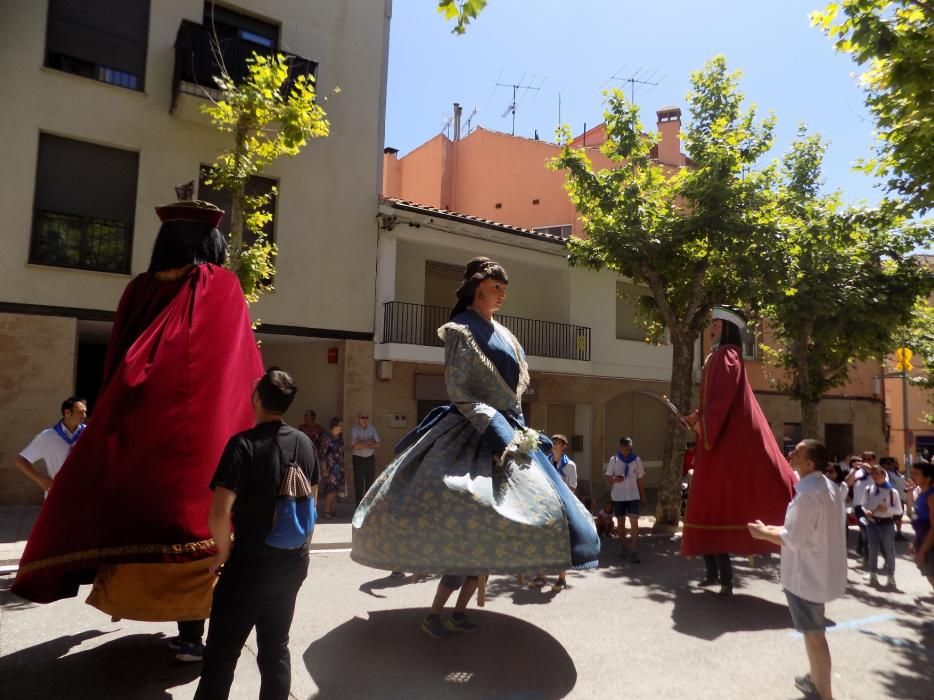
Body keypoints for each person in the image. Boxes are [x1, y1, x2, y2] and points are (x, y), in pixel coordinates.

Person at [12, 188, 263, 663]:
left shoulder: (138, 288)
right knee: (198, 525)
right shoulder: (220, 284)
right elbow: (237, 366)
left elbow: (116, 362)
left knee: (131, 511)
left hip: (138, 423)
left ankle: (130, 599)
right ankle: (192, 635)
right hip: (198, 431)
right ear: (210, 244)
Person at [351, 257, 600, 639]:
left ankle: (460, 610)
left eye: (504, 288)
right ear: (477, 288)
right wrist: (497, 429)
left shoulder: (507, 335)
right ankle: (435, 613)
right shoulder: (460, 330)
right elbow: (460, 392)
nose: (501, 294)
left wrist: (518, 430)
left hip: (507, 429)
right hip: (469, 431)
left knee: (528, 517)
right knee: (465, 507)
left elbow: (513, 397)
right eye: (495, 286)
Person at [194, 368, 317, 700]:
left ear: (257, 398)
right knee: (275, 649)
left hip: (248, 567)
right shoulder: (305, 444)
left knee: (220, 657)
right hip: (291, 564)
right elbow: (312, 503)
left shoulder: (243, 445)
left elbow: (219, 512)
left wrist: (223, 553)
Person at [681, 307, 797, 598]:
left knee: (718, 509)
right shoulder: (720, 356)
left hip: (722, 439)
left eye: (715, 324)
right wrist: (698, 418)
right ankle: (714, 576)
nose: (711, 328)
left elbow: (722, 400)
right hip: (716, 436)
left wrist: (705, 426)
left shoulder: (727, 355)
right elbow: (715, 401)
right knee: (709, 509)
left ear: (725, 326)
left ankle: (726, 581)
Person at [748, 439, 847, 700]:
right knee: (812, 634)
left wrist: (761, 534)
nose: (791, 453)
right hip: (817, 575)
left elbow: (793, 538)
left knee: (815, 636)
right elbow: (800, 531)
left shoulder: (808, 495)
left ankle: (824, 692)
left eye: (798, 452)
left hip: (807, 578)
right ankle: (815, 679)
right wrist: (768, 529)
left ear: (810, 463)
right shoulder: (827, 487)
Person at [15, 396, 87, 495]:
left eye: (85, 412)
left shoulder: (89, 434)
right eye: (80, 412)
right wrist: (39, 478)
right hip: (58, 496)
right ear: (67, 413)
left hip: (85, 495)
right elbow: (20, 460)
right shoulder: (47, 436)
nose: (84, 415)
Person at [605, 437, 646, 563]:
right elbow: (608, 477)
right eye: (625, 449)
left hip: (633, 496)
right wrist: (614, 480)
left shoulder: (636, 460)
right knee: (621, 522)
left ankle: (634, 550)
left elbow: (640, 478)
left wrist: (643, 496)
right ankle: (623, 545)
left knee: (634, 521)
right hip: (619, 496)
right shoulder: (614, 460)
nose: (627, 451)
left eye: (629, 449)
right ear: (620, 447)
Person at [909, 462, 934, 592]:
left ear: (928, 478)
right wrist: (916, 543)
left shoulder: (931, 496)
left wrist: (923, 551)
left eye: (917, 474)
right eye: (912, 473)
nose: (912, 476)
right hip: (923, 540)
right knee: (930, 576)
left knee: (932, 576)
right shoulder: (921, 494)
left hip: (931, 544)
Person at [350, 411, 380, 505]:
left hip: (370, 458)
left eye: (366, 417)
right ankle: (358, 507)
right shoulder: (354, 429)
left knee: (370, 484)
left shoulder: (372, 428)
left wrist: (362, 443)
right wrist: (370, 441)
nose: (365, 419)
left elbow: (378, 444)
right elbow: (355, 446)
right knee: (359, 484)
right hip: (358, 459)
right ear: (358, 418)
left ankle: (367, 507)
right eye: (362, 417)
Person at [319, 417, 345, 518]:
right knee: (330, 490)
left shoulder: (339, 437)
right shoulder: (327, 437)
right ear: (334, 425)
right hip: (329, 468)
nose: (342, 427)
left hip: (338, 467)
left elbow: (341, 453)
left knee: (335, 490)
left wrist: (342, 466)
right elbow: (322, 454)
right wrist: (324, 469)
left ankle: (333, 510)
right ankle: (326, 511)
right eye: (340, 425)